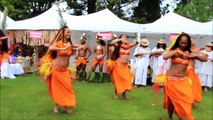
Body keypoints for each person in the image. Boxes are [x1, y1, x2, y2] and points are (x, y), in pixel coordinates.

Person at [163, 32, 207, 120]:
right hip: (171, 79)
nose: (183, 45)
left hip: (183, 80)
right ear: (178, 42)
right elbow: (165, 56)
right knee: (172, 100)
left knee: (189, 99)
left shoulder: (190, 52)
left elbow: (205, 59)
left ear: (188, 43)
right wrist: (176, 51)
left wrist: (196, 55)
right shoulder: (173, 50)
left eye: (185, 43)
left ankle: (181, 116)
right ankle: (170, 117)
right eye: (181, 43)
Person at [39, 26, 76, 114]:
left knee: (67, 88)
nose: (69, 34)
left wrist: (74, 50)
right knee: (57, 89)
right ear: (62, 33)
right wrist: (62, 48)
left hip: (65, 71)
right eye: (67, 32)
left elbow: (71, 53)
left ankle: (66, 106)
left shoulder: (70, 44)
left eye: (69, 32)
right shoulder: (58, 43)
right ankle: (56, 106)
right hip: (56, 70)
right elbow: (51, 48)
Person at [109, 34, 138, 99]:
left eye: (125, 37)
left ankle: (124, 94)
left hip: (125, 66)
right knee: (118, 80)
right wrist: (120, 39)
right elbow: (112, 42)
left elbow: (136, 43)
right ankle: (115, 94)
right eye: (123, 37)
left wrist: (135, 41)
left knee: (127, 79)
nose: (125, 38)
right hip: (119, 65)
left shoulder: (128, 46)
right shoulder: (118, 46)